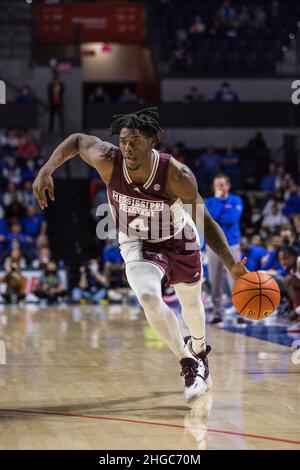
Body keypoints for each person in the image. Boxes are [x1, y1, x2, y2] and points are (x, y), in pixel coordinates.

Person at [32, 108, 247, 402]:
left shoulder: (177, 174)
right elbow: (77, 140)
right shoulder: (109, 160)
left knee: (192, 307)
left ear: (151, 141)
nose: (128, 147)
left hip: (178, 237)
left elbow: (205, 221)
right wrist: (47, 169)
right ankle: (188, 362)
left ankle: (200, 351)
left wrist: (231, 263)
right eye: (123, 140)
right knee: (147, 297)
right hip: (136, 240)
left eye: (135, 140)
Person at [205, 175, 243, 322]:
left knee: (235, 279)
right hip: (214, 245)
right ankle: (217, 312)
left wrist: (219, 208)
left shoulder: (236, 200)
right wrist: (217, 201)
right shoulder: (209, 202)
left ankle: (240, 308)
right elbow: (211, 218)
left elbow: (231, 218)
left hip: (232, 245)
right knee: (215, 280)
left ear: (228, 185)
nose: (220, 188)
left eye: (222, 185)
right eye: (217, 185)